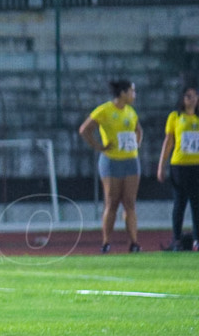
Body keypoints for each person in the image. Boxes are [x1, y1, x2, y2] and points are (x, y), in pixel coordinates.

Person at [78, 79, 144, 253]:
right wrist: (98, 146)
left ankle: (134, 243)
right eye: (132, 91)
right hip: (111, 161)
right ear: (122, 93)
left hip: (131, 161)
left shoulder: (130, 111)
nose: (134, 95)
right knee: (112, 202)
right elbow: (85, 129)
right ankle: (106, 242)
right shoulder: (105, 110)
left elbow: (139, 129)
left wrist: (137, 143)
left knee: (130, 203)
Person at [157, 85, 199, 251]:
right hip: (179, 166)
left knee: (197, 204)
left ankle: (196, 239)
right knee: (180, 203)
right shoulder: (175, 117)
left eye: (195, 95)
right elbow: (168, 142)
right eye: (189, 96)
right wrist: (161, 165)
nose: (193, 99)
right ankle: (177, 239)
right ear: (182, 99)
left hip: (196, 166)